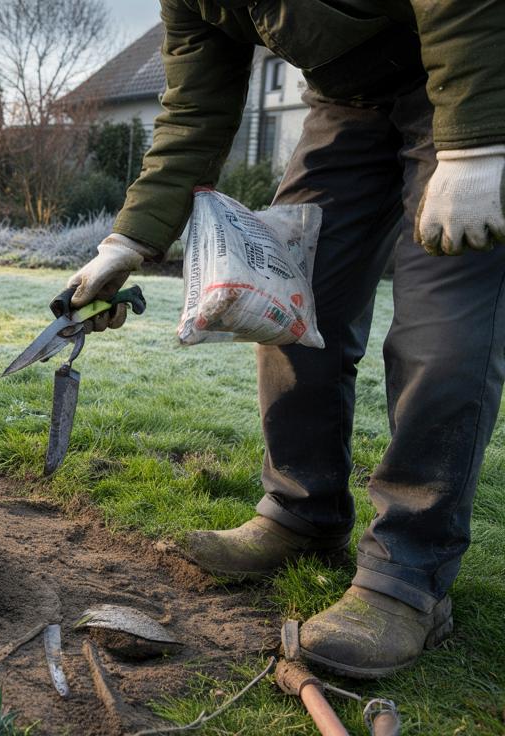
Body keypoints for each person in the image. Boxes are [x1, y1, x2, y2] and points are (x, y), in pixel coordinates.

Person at [67, 0, 505, 679]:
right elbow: (194, 112)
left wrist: (475, 146)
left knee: (442, 332)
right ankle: (302, 512)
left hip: (477, 64)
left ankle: (407, 576)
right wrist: (128, 241)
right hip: (347, 99)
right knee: (285, 295)